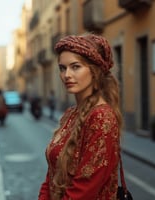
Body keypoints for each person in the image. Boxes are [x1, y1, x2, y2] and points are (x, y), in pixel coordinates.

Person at [38, 33, 122, 200]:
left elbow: (84, 190)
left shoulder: (102, 118)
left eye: (75, 67)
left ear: (94, 71)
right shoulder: (70, 114)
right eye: (62, 68)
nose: (67, 75)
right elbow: (51, 176)